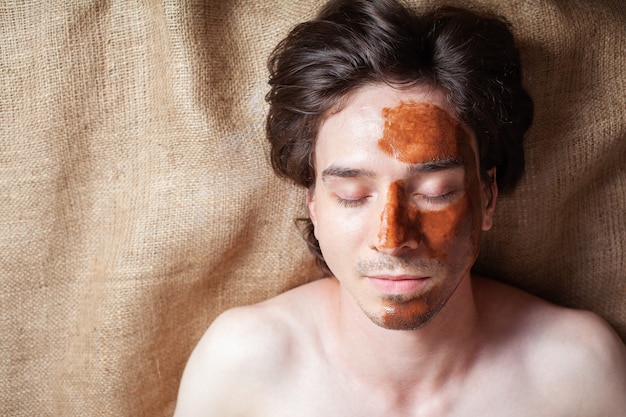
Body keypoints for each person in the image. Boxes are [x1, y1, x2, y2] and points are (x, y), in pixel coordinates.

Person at [173, 0, 626, 415]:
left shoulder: (578, 371)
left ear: (486, 197)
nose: (392, 237)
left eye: (434, 191)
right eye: (352, 194)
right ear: (313, 203)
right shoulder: (240, 364)